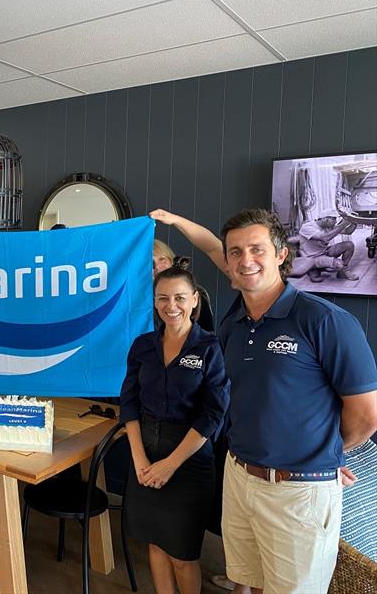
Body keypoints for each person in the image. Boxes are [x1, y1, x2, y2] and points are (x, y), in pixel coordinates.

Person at [150, 207, 377, 593]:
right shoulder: (234, 324)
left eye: (256, 250)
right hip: (239, 478)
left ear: (280, 255)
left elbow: (365, 417)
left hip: (297, 492)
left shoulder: (324, 321)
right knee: (250, 583)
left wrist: (324, 455)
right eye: (235, 252)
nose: (245, 260)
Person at [120, 266, 229, 594]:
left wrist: (170, 464)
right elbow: (129, 403)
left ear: (195, 300)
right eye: (163, 298)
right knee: (154, 544)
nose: (172, 306)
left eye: (180, 298)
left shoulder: (210, 347)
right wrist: (139, 459)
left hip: (190, 460)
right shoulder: (142, 346)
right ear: (154, 302)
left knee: (182, 554)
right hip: (144, 454)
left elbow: (213, 414)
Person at [153, 239, 214, 333]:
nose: (157, 266)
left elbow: (206, 330)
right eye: (163, 298)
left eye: (162, 259)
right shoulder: (135, 297)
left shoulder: (196, 292)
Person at [297, 209, 359, 282]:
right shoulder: (308, 227)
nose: (335, 221)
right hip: (312, 258)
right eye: (333, 219)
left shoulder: (328, 226)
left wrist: (354, 221)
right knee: (338, 265)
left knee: (349, 245)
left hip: (324, 252)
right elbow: (325, 238)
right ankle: (312, 269)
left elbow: (348, 232)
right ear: (324, 219)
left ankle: (343, 271)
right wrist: (343, 224)